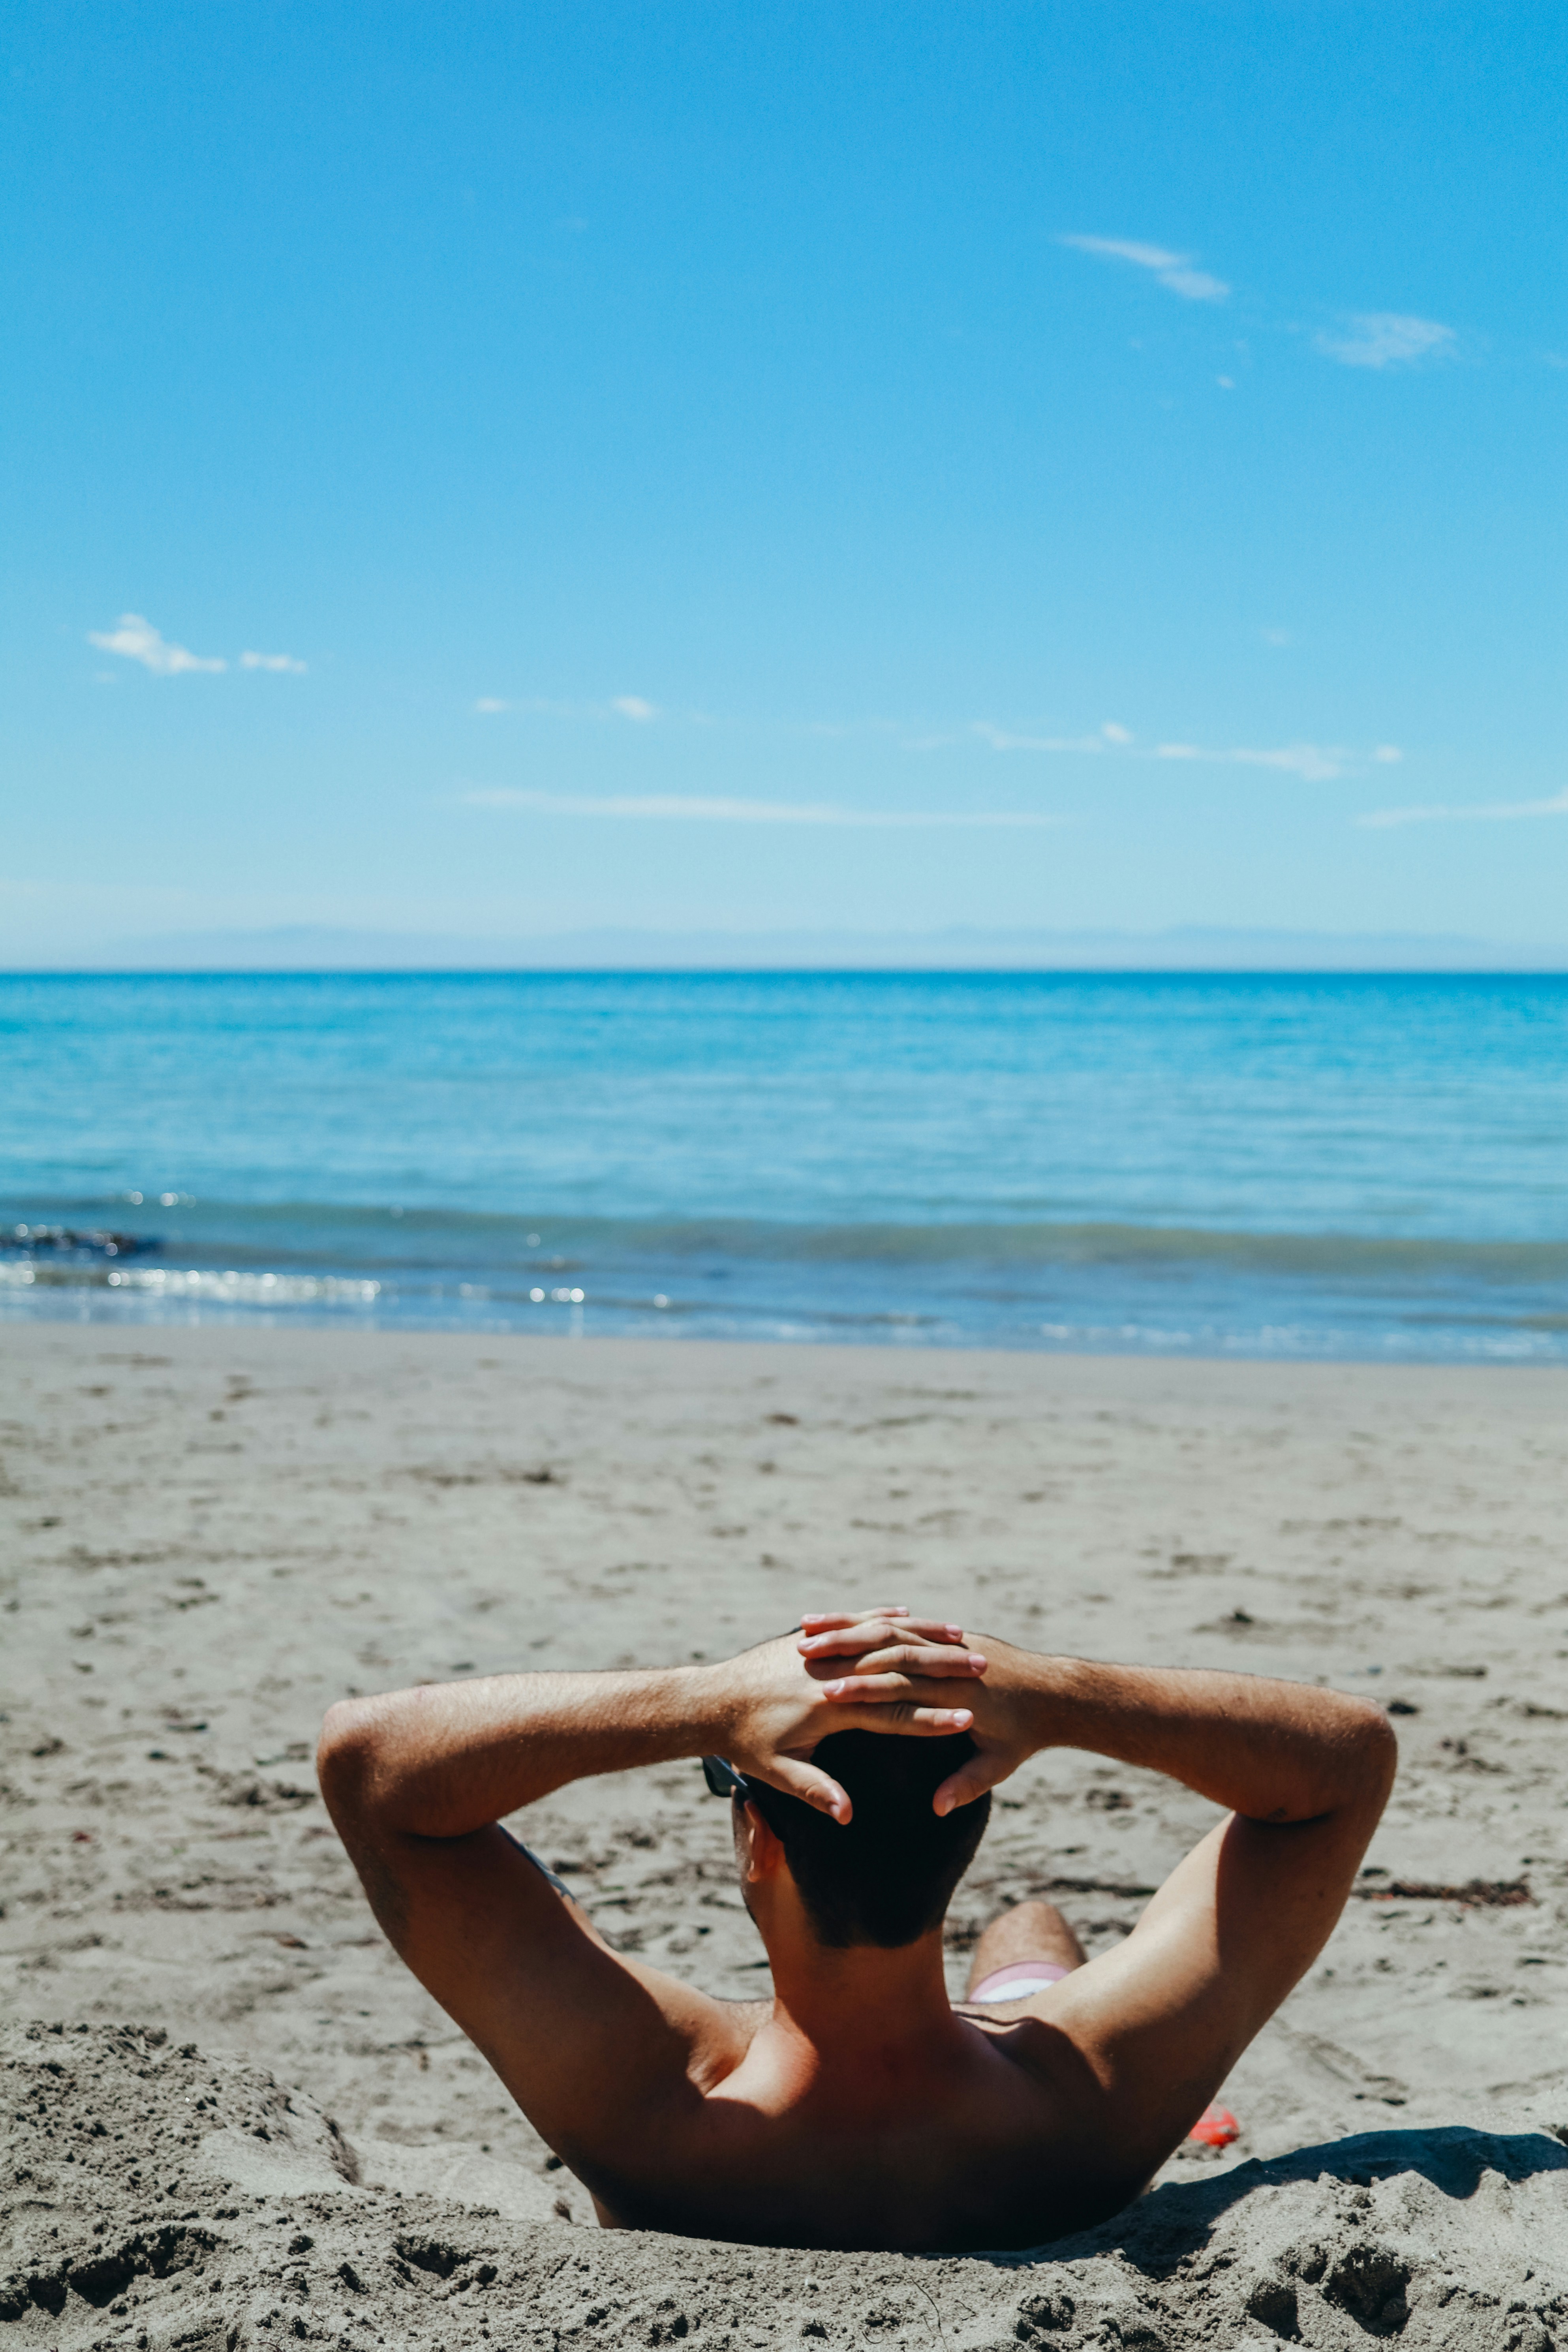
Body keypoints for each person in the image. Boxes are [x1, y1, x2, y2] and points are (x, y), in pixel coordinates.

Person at [317, 1605, 1395, 2252]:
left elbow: (370, 1764)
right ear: (965, 1835)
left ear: (759, 1842)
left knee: (1026, 1971)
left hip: (746, 2143)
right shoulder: (1098, 2092)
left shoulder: (643, 2102)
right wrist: (1058, 1694)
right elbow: (1342, 1763)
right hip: (1010, 2105)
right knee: (1030, 1934)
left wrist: (705, 1698)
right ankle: (1016, 1968)